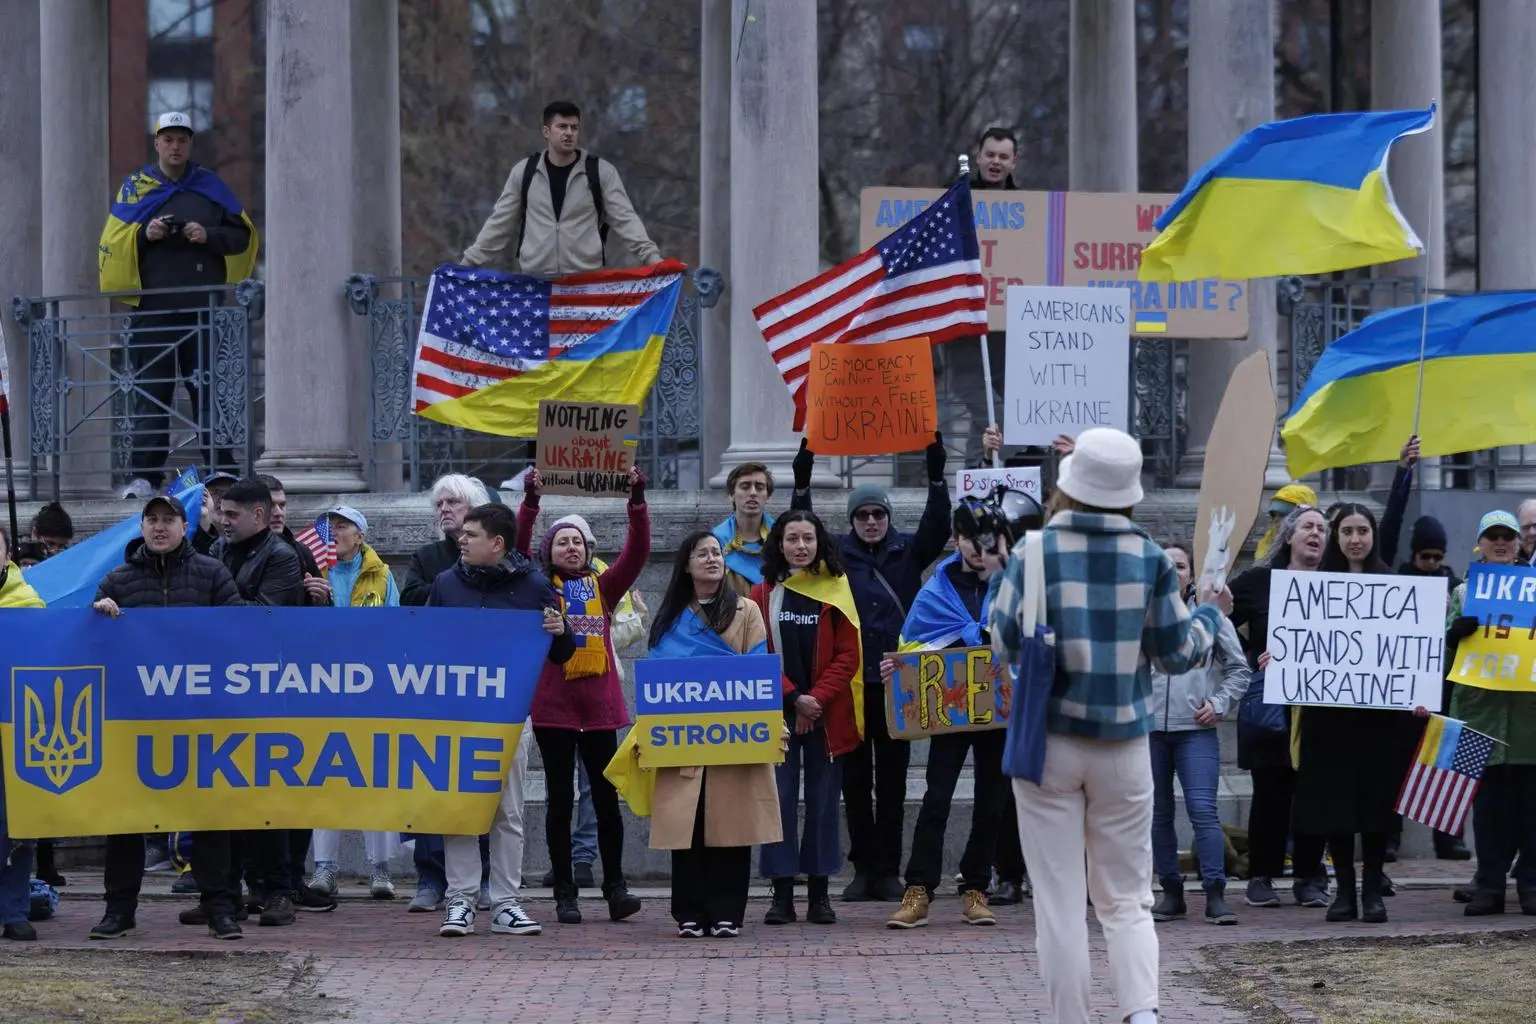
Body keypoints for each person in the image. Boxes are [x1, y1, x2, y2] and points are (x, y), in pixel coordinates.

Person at [990, 427, 1230, 1024]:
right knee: (1127, 899)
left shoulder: (1034, 552)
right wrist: (1206, 611)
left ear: (1069, 486)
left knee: (1060, 903)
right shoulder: (1149, 556)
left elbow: (1001, 639)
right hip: (1124, 742)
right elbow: (1178, 654)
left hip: (1046, 740)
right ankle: (1141, 1011)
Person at [790, 435, 952, 901]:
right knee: (857, 779)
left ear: (887, 517)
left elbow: (937, 525)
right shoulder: (838, 555)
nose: (871, 522)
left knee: (895, 780)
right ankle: (863, 867)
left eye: (877, 514)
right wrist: (802, 482)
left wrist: (936, 474)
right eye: (862, 515)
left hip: (897, 683)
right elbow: (804, 530)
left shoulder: (908, 551)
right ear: (853, 521)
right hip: (854, 685)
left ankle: (887, 867)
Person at [88, 494, 242, 940]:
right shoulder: (117, 580)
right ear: (141, 526)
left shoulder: (213, 575)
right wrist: (98, 618)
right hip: (134, 722)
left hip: (200, 718)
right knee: (125, 819)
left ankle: (219, 908)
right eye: (151, 519)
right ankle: (120, 909)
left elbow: (237, 635)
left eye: (168, 519)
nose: (159, 527)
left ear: (184, 525)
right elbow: (91, 646)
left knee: (210, 816)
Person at [428, 503, 575, 938]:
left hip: (510, 717)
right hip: (456, 716)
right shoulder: (445, 584)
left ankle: (506, 902)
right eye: (463, 534)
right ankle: (461, 900)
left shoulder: (534, 586)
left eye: (471, 534)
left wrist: (560, 629)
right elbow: (425, 645)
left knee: (507, 811)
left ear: (498, 543)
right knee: (459, 809)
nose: (461, 539)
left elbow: (564, 653)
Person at [102, 112, 258, 498]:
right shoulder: (136, 188)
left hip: (203, 313)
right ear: (156, 144)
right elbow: (112, 243)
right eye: (168, 139)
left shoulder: (209, 186)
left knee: (209, 392)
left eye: (182, 140)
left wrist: (208, 235)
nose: (175, 147)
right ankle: (145, 477)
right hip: (151, 312)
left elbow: (241, 237)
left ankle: (221, 470)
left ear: (190, 144)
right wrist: (145, 233)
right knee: (151, 395)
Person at [520, 467, 650, 924]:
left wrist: (636, 498)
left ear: (589, 550)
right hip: (555, 711)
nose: (571, 547)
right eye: (562, 542)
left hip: (598, 710)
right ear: (549, 552)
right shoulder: (534, 588)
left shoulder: (604, 587)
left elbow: (637, 555)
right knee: (559, 800)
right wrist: (531, 502)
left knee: (605, 799)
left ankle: (616, 887)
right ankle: (565, 892)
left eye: (578, 541)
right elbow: (516, 549)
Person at [885, 497, 1017, 930]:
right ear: (957, 541)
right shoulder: (937, 590)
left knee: (992, 800)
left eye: (986, 539)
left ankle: (976, 887)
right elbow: (913, 645)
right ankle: (918, 889)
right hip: (952, 706)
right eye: (968, 539)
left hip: (999, 709)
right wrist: (896, 667)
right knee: (937, 796)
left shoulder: (1016, 588)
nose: (978, 548)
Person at [645, 532, 784, 938]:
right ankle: (689, 911)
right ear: (685, 565)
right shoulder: (670, 617)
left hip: (733, 734)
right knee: (688, 826)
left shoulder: (746, 611)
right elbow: (659, 678)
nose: (712, 559)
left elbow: (758, 667)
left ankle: (728, 912)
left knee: (731, 824)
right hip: (683, 738)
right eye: (701, 553)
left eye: (717, 552)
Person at [1288, 504, 1411, 925]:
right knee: (1335, 806)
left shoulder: (1394, 587)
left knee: (1376, 807)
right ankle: (1343, 891)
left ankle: (1373, 890)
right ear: (1335, 537)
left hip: (1378, 721)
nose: (1355, 539)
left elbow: (1410, 654)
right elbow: (1296, 646)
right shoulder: (1313, 587)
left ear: (1373, 535)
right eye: (1346, 531)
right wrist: (1279, 660)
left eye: (1362, 530)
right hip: (1330, 719)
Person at [751, 511, 861, 927]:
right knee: (777, 803)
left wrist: (815, 699)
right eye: (792, 538)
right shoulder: (762, 594)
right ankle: (781, 895)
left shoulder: (837, 591)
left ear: (820, 543)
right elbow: (756, 652)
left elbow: (848, 655)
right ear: (779, 544)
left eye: (808, 539)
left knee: (822, 805)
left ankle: (819, 894)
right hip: (778, 715)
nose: (800, 546)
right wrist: (795, 698)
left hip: (828, 718)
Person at [208, 477, 305, 927]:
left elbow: (265, 618)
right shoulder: (216, 552)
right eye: (221, 513)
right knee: (228, 793)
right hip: (225, 687)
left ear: (259, 517)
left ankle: (279, 890)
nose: (222, 521)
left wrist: (216, 607)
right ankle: (233, 889)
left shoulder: (282, 556)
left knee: (269, 794)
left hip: (269, 689)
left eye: (231, 515)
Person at [1228, 506, 1331, 911]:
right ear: (1288, 536)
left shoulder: (1338, 585)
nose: (1316, 534)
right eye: (1308, 526)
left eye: (1323, 529)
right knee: (1270, 792)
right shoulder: (1259, 582)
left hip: (1321, 708)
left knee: (1314, 794)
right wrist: (1251, 657)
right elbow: (1219, 619)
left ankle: (1309, 877)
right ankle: (1261, 875)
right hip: (1273, 706)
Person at [400, 474, 494, 913]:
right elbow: (412, 599)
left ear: (474, 507)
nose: (443, 510)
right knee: (431, 779)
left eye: (452, 502)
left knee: (483, 781)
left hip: (484, 683)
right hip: (435, 682)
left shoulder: (496, 557)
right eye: (438, 504)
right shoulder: (427, 557)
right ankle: (431, 877)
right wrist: (453, 583)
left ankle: (487, 877)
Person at [1147, 541, 1248, 927]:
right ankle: (1170, 891)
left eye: (1181, 566)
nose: (1174, 572)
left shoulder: (1210, 617)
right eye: (1165, 565)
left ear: (1192, 575)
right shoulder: (1143, 615)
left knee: (1203, 810)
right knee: (1157, 813)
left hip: (1196, 731)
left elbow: (1239, 669)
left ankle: (1216, 894)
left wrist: (1219, 704)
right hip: (1150, 731)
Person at [306, 506, 402, 901]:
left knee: (374, 775)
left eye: (343, 526)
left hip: (372, 689)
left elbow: (395, 625)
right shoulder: (318, 574)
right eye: (331, 526)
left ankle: (380, 870)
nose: (335, 532)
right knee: (324, 776)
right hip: (326, 689)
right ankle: (325, 868)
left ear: (360, 535)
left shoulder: (382, 575)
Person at [1446, 510, 1536, 916]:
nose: (1500, 543)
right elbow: (1441, 656)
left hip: (1528, 721)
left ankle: (1531, 885)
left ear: (1519, 544)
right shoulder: (1463, 593)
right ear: (1480, 544)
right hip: (1478, 717)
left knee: (1532, 809)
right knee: (1485, 810)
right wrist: (1454, 634)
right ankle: (1489, 886)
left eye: (1508, 537)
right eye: (1492, 536)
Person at [461, 100, 661, 276]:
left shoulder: (601, 172)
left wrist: (652, 258)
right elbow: (500, 223)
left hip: (586, 284)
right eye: (562, 127)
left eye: (574, 128)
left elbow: (625, 219)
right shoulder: (524, 172)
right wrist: (468, 262)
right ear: (546, 132)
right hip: (537, 285)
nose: (569, 133)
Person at [1391, 514, 1470, 863]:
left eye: (1438, 557)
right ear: (1414, 555)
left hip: (1444, 687)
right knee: (1397, 765)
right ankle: (1391, 835)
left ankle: (1448, 837)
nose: (1433, 564)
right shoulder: (1399, 582)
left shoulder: (1453, 585)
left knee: (1447, 763)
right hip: (1406, 688)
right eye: (1426, 557)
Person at [949, 127, 1020, 468]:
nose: (996, 162)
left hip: (1009, 341)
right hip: (965, 338)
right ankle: (979, 483)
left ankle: (974, 487)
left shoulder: (1030, 209)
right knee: (1000, 421)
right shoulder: (953, 200)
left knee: (986, 422)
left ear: (1013, 162)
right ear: (978, 157)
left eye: (1003, 156)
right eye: (990, 154)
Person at [0, 528, 44, 941]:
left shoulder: (28, 604)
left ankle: (13, 909)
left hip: (13, 730)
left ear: (8, 554)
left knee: (15, 823)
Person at [712, 462, 777, 595]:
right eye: (745, 487)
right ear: (732, 495)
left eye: (759, 487)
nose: (753, 493)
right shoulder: (715, 542)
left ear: (768, 496)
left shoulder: (781, 539)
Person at [1253, 484, 1320, 563]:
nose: (1277, 519)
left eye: (1283, 515)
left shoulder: (1318, 548)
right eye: (1274, 514)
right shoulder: (1267, 543)